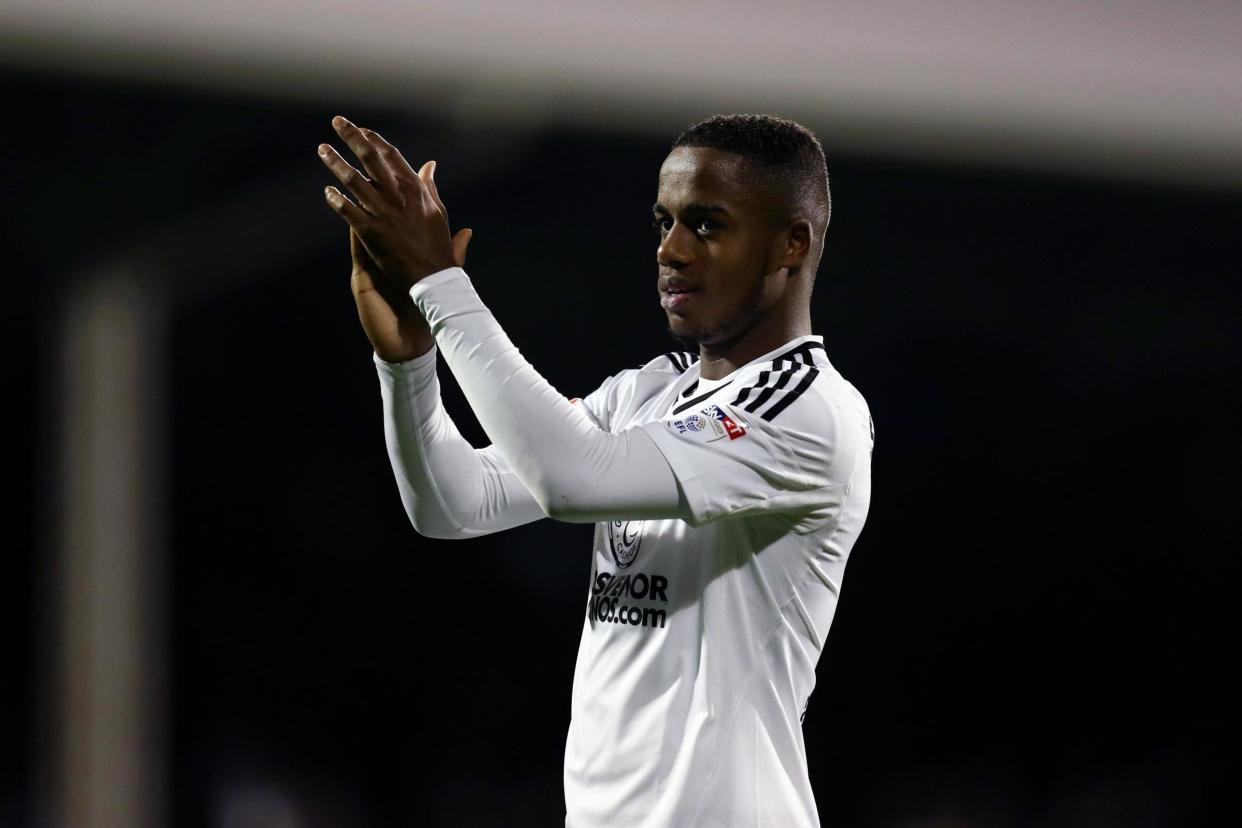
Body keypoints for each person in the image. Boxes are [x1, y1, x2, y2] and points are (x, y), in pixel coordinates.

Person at [319, 112, 874, 828]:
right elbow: (456, 504)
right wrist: (409, 362)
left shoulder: (807, 408)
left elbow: (570, 479)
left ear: (791, 243)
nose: (671, 249)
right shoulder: (646, 392)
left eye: (706, 224)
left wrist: (440, 284)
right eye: (663, 221)